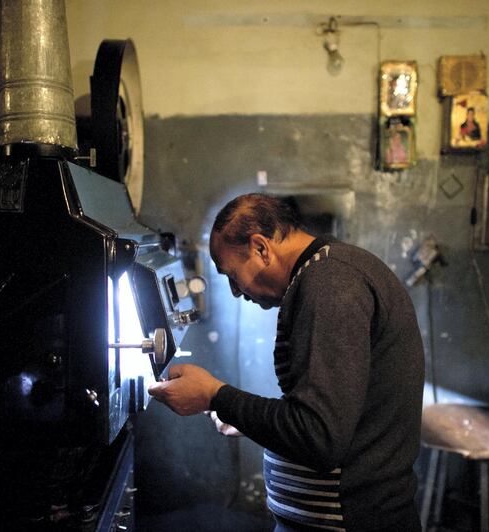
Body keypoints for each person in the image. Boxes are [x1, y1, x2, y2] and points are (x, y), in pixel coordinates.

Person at [148, 193, 425, 531]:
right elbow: (327, 415)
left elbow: (318, 437)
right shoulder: (327, 273)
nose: (236, 291)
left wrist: (216, 396)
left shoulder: (331, 283)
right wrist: (245, 417)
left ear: (261, 247)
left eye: (232, 274)